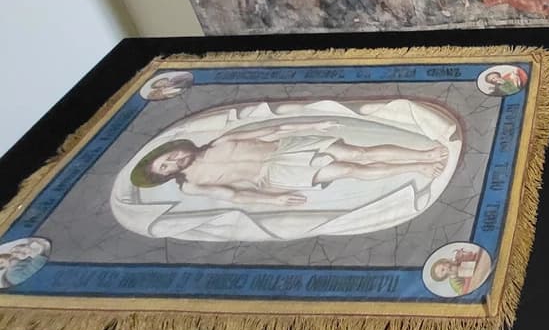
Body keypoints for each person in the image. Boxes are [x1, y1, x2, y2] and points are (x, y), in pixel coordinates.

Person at [130, 120, 449, 207]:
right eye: (166, 168)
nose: (173, 162)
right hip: (274, 173)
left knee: (358, 153)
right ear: (167, 177)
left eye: (167, 157)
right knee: (350, 169)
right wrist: (273, 199)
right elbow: (233, 195)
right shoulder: (191, 185)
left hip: (285, 147)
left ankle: (423, 155)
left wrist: (312, 126)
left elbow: (274, 130)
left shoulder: (220, 141)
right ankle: (416, 168)